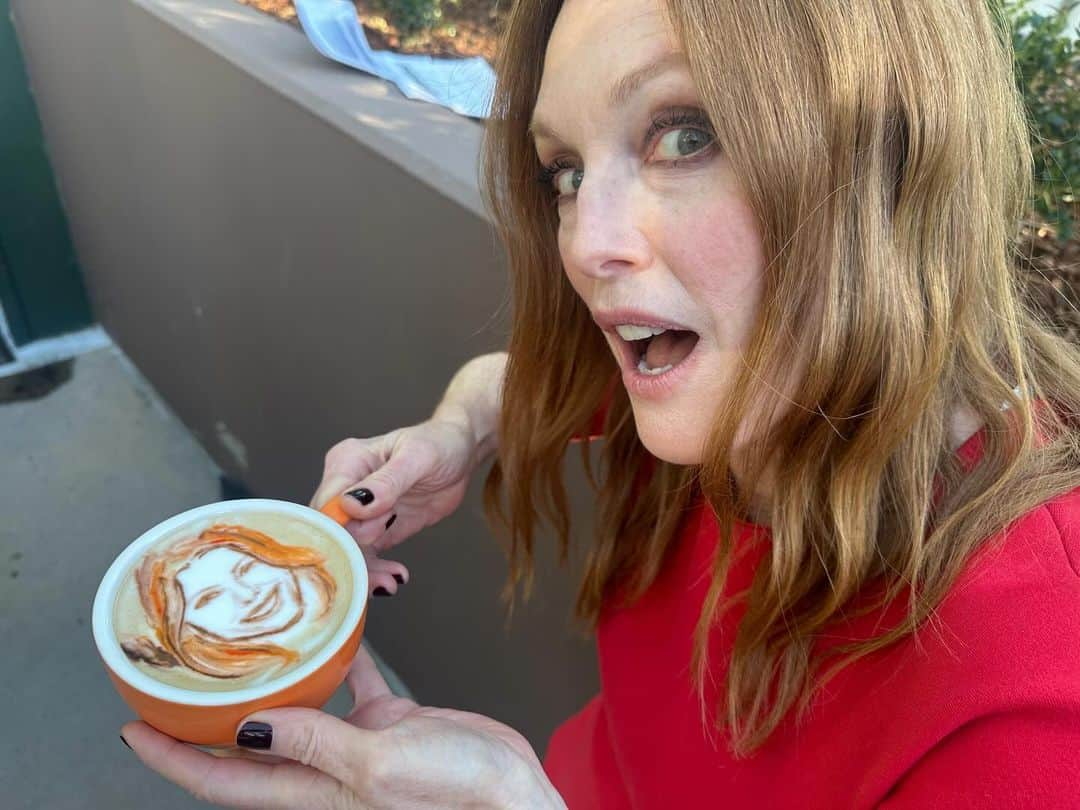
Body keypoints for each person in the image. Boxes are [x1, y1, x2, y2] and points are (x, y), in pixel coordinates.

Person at [119, 0, 1080, 806]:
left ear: (896, 149)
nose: (585, 244)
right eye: (566, 174)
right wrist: (457, 431)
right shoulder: (752, 385)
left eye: (685, 135)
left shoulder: (1033, 712)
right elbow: (525, 383)